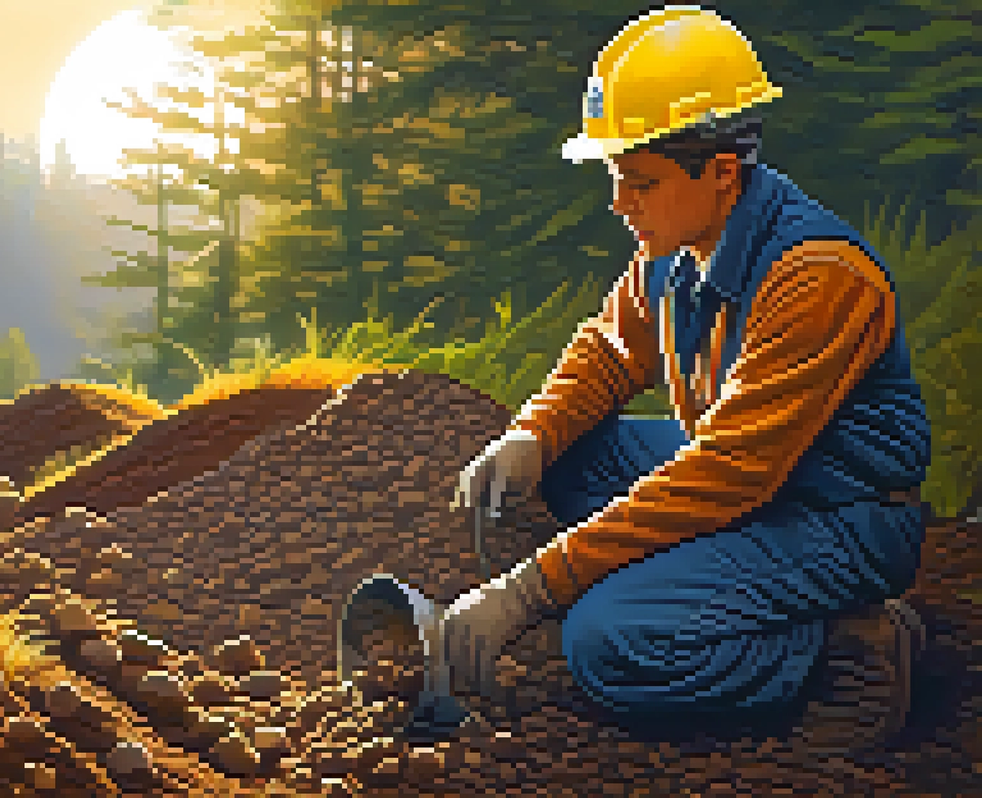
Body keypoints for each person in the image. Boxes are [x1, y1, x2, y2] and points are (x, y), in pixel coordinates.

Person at [341, 6, 931, 751]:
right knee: (566, 458)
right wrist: (534, 431)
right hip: (752, 482)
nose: (621, 204)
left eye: (641, 183)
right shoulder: (674, 252)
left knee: (609, 645)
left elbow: (727, 475)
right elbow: (612, 350)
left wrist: (527, 591)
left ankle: (841, 645)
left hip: (839, 515)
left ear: (721, 174)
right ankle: (681, 589)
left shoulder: (817, 276)